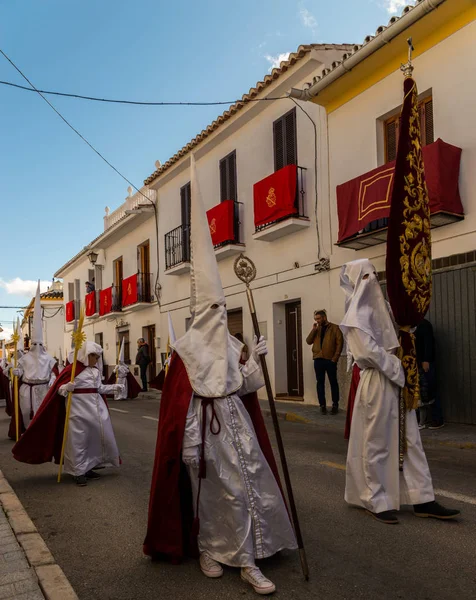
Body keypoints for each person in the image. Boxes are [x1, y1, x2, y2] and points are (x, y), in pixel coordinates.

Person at [144, 156, 296, 596]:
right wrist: (190, 445)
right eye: (209, 310)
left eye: (219, 308)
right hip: (206, 433)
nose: (216, 316)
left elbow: (244, 387)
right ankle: (212, 550)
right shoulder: (185, 349)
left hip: (238, 426)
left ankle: (251, 556)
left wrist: (255, 364)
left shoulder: (231, 344)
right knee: (214, 498)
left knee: (251, 486)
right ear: (198, 314)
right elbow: (182, 403)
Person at [340, 259, 459, 524]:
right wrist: (398, 368)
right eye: (366, 277)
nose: (372, 281)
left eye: (374, 275)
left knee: (412, 441)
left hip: (398, 381)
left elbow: (401, 333)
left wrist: (409, 332)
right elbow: (367, 352)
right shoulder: (354, 319)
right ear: (357, 283)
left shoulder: (387, 309)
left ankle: (423, 497)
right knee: (377, 442)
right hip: (378, 382)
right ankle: (375, 498)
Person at [12, 341, 123, 486]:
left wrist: (115, 388)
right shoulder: (72, 370)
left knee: (93, 439)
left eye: (97, 357)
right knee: (78, 441)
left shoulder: (95, 371)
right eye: (94, 356)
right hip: (77, 410)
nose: (97, 360)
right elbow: (58, 390)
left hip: (96, 411)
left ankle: (88, 466)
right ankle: (78, 471)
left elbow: (99, 388)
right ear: (86, 356)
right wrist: (66, 387)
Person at [12, 283, 56, 428]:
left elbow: (54, 372)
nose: (37, 348)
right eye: (34, 344)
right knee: (26, 413)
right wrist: (16, 372)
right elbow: (18, 373)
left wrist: (52, 380)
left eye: (39, 344)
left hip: (43, 389)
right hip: (26, 389)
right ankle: (26, 437)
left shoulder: (49, 358)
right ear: (31, 345)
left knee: (41, 415)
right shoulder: (24, 359)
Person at [306, 309, 343, 415]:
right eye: (315, 319)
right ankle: (322, 405)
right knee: (320, 383)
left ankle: (335, 405)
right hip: (318, 359)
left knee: (333, 383)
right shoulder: (317, 329)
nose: (317, 321)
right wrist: (313, 330)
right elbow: (308, 341)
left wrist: (335, 358)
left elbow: (339, 344)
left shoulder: (335, 328)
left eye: (318, 318)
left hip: (330, 360)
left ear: (324, 317)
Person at [416, 318, 444, 430]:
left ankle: (437, 419)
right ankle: (423, 419)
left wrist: (426, 360)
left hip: (424, 362)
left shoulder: (423, 324)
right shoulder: (413, 325)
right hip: (418, 362)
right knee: (422, 392)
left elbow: (428, 343)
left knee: (430, 389)